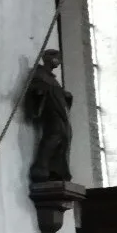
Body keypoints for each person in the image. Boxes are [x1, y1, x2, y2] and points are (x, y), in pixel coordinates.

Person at [26, 49, 73, 182]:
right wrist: (39, 92)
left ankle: (57, 171)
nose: (59, 61)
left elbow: (59, 96)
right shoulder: (39, 73)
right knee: (53, 136)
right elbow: (35, 91)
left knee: (64, 137)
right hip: (51, 113)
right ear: (48, 58)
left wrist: (67, 96)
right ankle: (40, 168)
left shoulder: (53, 79)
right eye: (57, 58)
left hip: (60, 114)